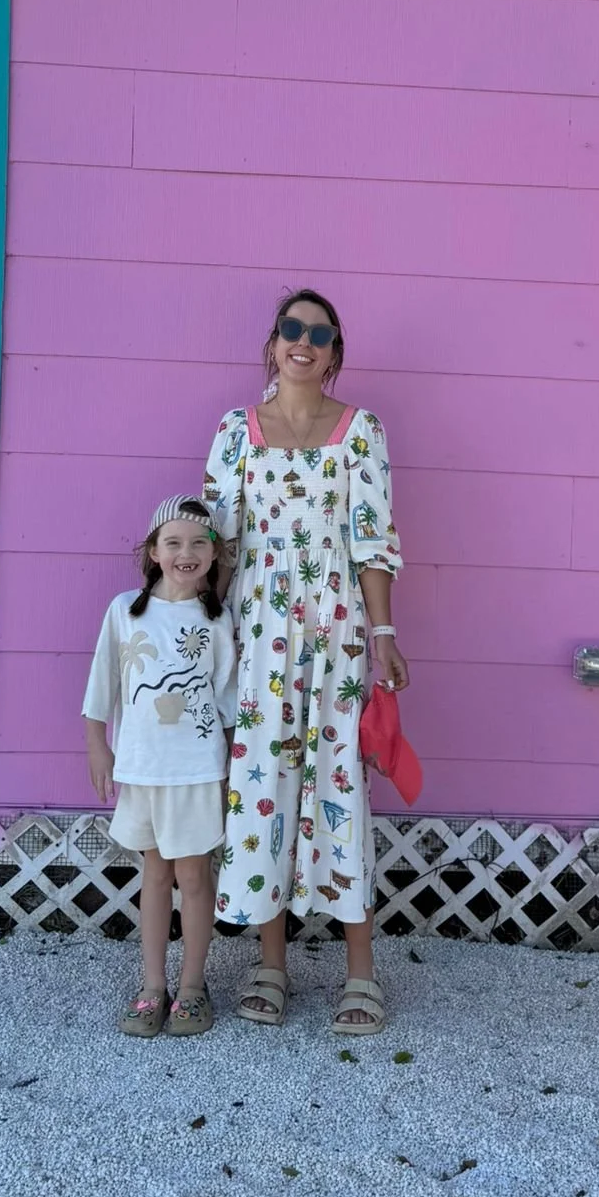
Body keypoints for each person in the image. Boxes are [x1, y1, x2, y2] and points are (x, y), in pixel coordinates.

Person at [203, 289, 408, 1035]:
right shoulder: (235, 433)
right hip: (257, 632)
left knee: (338, 785)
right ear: (272, 344)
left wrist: (383, 633)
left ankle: (361, 973)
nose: (304, 341)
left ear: (334, 353)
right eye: (292, 328)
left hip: (336, 635)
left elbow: (373, 540)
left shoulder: (361, 433)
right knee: (264, 787)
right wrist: (201, 636)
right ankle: (270, 964)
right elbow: (218, 543)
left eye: (319, 334)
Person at [83, 496, 237, 1038]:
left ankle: (193, 985)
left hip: (196, 770)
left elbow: (227, 701)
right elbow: (103, 682)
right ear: (153, 551)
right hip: (142, 768)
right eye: (173, 543)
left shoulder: (217, 620)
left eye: (199, 543)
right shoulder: (125, 611)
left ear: (215, 555)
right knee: (154, 873)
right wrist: (98, 746)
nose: (186, 553)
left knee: (195, 876)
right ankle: (153, 984)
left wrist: (230, 769)